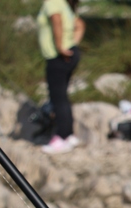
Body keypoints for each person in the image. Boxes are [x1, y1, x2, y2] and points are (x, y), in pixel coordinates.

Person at [37, 0, 84, 154]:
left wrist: (60, 47)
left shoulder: (53, 2)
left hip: (58, 57)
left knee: (57, 97)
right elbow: (80, 24)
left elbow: (56, 21)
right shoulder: (64, 4)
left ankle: (62, 136)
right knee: (62, 96)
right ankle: (69, 135)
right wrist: (72, 44)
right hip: (69, 54)